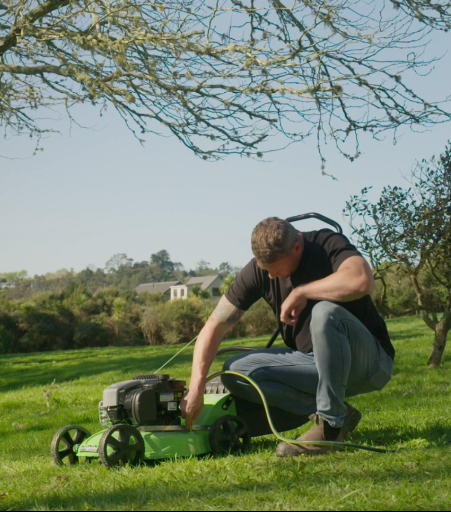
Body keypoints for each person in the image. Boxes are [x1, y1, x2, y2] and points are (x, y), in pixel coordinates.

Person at [181, 217, 394, 457]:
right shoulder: (261, 272)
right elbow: (214, 326)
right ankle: (340, 414)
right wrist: (197, 388)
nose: (271, 277)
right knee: (236, 372)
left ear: (297, 248)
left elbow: (362, 280)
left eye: (276, 269)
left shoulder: (326, 243)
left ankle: (330, 426)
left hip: (369, 363)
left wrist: (303, 292)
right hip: (313, 363)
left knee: (324, 312)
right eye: (265, 270)